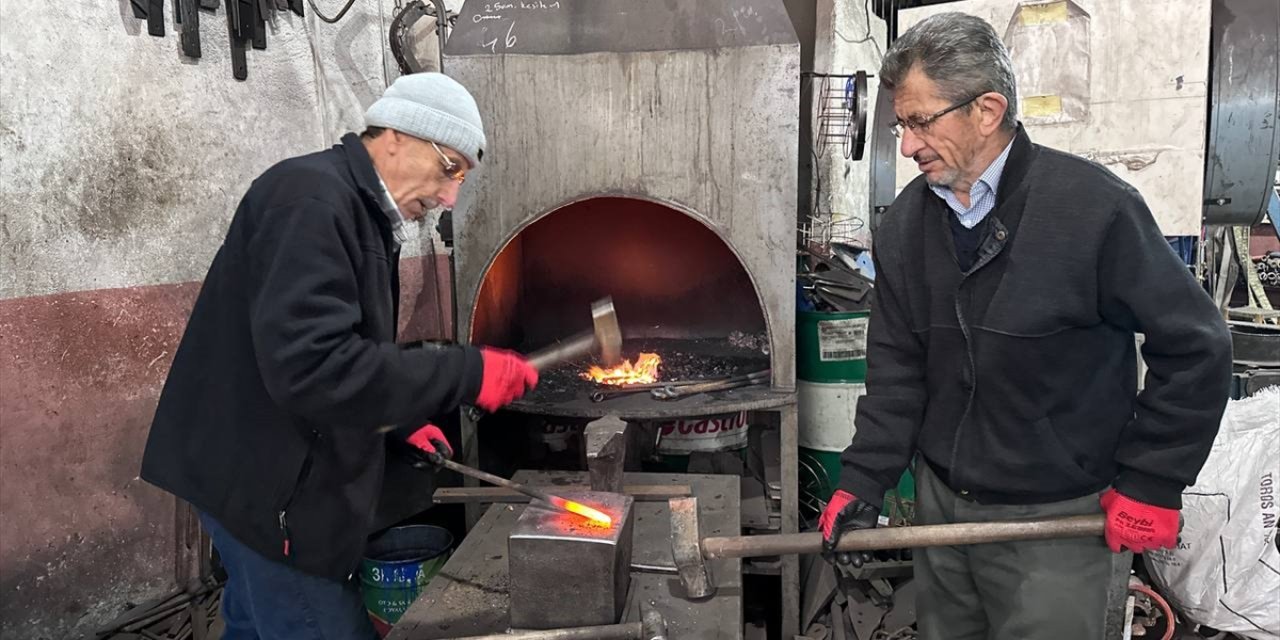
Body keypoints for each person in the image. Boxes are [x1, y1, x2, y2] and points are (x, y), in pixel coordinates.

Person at [819, 13, 1232, 640]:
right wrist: (864, 478)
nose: (906, 145)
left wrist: (1152, 478)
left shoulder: (1094, 210)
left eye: (920, 122)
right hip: (942, 514)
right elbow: (897, 368)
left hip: (1057, 520)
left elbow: (1197, 346)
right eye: (901, 125)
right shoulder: (905, 225)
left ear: (987, 110)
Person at [140, 73, 537, 639]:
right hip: (267, 488)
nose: (450, 196)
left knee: (254, 627)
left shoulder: (359, 212)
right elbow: (314, 367)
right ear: (397, 135)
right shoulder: (310, 201)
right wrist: (468, 372)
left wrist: (399, 424)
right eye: (449, 168)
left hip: (260, 475)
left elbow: (347, 347)